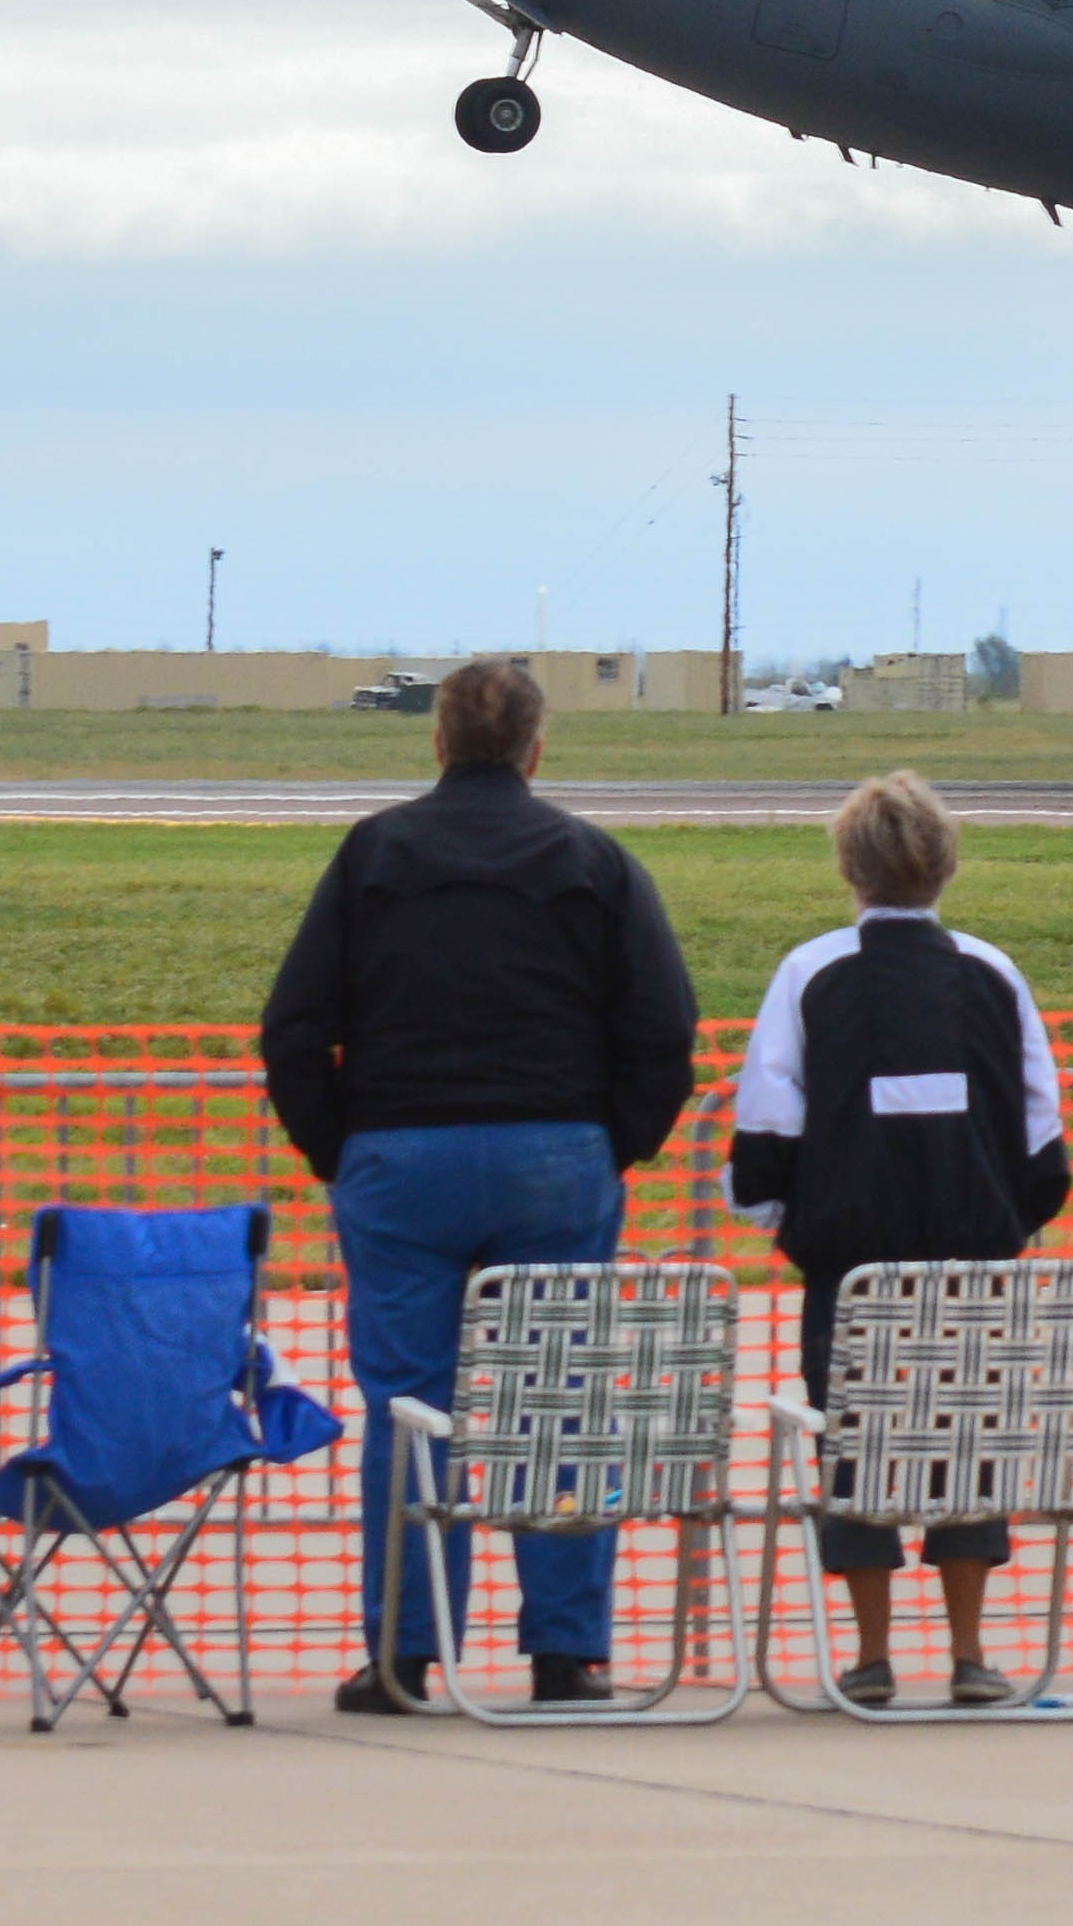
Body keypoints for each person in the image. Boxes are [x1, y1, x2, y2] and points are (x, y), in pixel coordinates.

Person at [258, 653, 700, 1716]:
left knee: (408, 1404)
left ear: (438, 741)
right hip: (556, 1152)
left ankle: (407, 1653)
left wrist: (339, 1145)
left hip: (401, 1154)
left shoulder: (374, 852)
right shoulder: (595, 858)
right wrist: (612, 1143)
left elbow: (292, 1025)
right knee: (561, 1395)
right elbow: (663, 1029)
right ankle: (565, 1652)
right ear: (539, 748)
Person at [729, 769, 1073, 1710]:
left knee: (854, 1446)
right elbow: (1042, 1131)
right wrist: (1012, 1218)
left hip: (849, 1276)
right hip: (976, 1270)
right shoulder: (993, 973)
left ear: (849, 866)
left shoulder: (809, 974)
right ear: (947, 866)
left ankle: (871, 1654)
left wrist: (775, 1215)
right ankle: (969, 1651)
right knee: (973, 1443)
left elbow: (767, 1122)